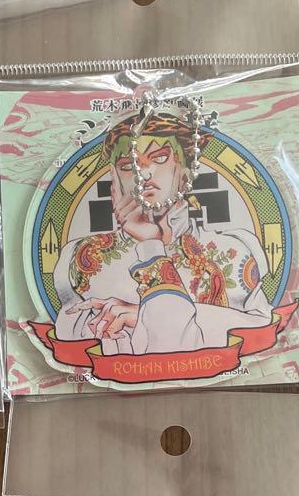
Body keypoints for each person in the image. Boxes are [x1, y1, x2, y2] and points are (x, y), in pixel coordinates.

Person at [51, 111, 275, 355]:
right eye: (127, 166)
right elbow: (70, 339)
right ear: (114, 182)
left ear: (186, 175)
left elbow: (261, 332)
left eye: (159, 158)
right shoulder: (81, 259)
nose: (143, 175)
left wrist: (142, 316)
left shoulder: (234, 252)